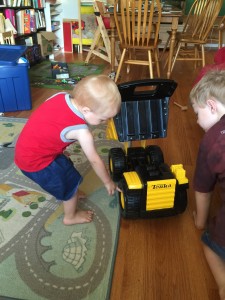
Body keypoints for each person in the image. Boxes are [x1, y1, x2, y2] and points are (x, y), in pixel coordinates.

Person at [15, 74, 121, 226]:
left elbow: (45, 119)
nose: (105, 122)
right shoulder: (82, 132)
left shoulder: (59, 96)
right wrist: (108, 182)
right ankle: (70, 217)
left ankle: (72, 193)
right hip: (36, 163)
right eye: (103, 119)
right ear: (86, 110)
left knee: (67, 168)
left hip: (26, 149)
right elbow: (95, 161)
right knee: (69, 186)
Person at [190, 69, 225, 300]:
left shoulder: (213, 139)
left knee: (209, 245)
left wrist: (200, 222)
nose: (196, 120)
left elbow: (202, 190)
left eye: (197, 113)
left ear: (212, 106)